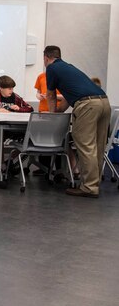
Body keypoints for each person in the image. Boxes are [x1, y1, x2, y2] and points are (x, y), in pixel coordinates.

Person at [44, 45, 111, 198]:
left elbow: (50, 95)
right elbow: (70, 95)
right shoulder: (69, 67)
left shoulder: (51, 68)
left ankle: (89, 188)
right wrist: (59, 111)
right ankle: (94, 184)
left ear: (46, 57)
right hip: (103, 102)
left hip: (87, 106)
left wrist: (52, 115)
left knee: (85, 145)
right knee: (98, 145)